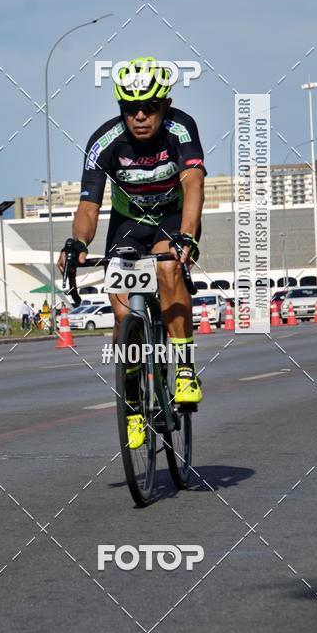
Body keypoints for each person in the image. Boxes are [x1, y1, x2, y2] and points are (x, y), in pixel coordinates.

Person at [57, 57, 206, 449]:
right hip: (128, 224)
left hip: (172, 217)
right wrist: (78, 243)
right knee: (123, 314)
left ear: (165, 105)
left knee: (168, 269)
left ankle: (186, 368)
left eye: (149, 107)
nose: (140, 116)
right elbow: (88, 207)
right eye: (129, 108)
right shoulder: (104, 142)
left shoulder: (181, 128)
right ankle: (136, 407)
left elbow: (193, 184)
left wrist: (187, 237)